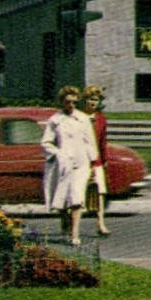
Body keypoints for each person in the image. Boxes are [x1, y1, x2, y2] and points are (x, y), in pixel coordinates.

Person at [40, 85, 98, 245]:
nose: (71, 105)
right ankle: (65, 228)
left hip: (81, 163)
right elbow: (45, 143)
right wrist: (57, 153)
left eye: (74, 102)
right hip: (63, 165)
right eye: (67, 102)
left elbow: (90, 143)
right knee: (64, 199)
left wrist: (93, 164)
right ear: (61, 102)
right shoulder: (55, 120)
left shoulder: (83, 119)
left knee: (77, 197)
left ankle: (75, 233)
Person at [80, 85, 111, 236]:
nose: (92, 103)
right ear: (84, 101)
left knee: (99, 192)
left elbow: (102, 141)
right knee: (79, 193)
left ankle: (100, 223)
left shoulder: (100, 119)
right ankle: (73, 226)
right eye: (90, 99)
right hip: (81, 160)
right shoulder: (79, 118)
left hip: (96, 161)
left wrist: (104, 159)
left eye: (96, 100)